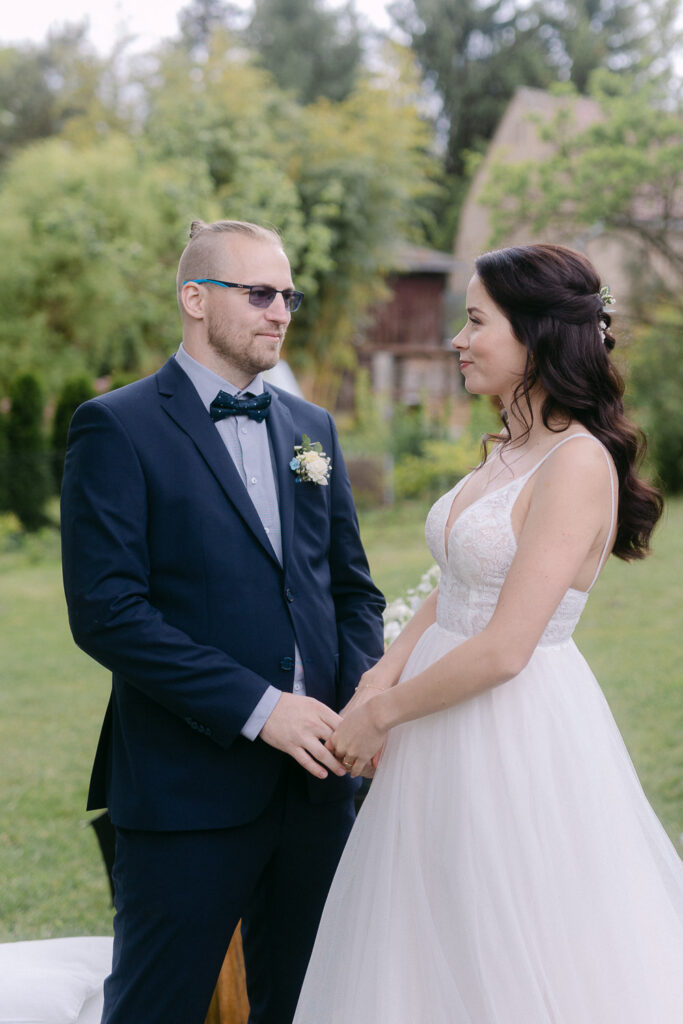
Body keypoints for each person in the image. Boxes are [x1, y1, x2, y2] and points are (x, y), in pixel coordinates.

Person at [293, 244, 683, 1023]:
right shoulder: (507, 451)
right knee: (425, 919)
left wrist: (381, 715)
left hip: (509, 727)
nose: (457, 339)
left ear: (535, 336)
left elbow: (507, 647)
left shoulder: (575, 464)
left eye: (474, 321)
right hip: (434, 713)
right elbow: (455, 585)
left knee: (509, 926)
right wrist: (382, 673)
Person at [60, 218, 385, 1024]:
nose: (280, 310)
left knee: (310, 1006)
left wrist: (354, 714)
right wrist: (262, 709)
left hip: (317, 792)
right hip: (186, 792)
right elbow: (108, 614)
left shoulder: (313, 431)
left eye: (288, 295)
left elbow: (351, 591)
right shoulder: (116, 427)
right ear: (195, 299)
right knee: (155, 1007)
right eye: (260, 293)